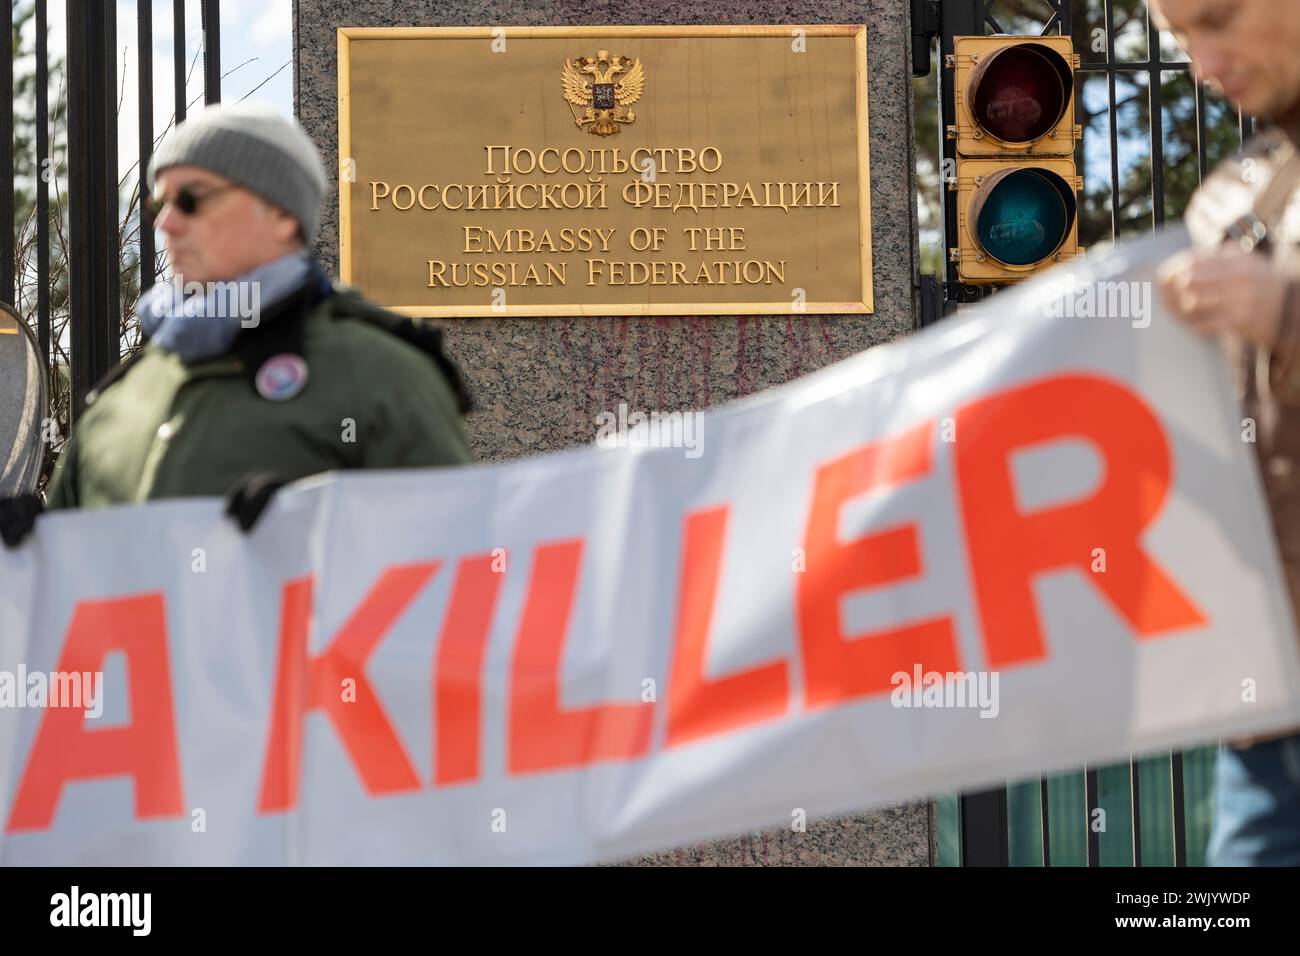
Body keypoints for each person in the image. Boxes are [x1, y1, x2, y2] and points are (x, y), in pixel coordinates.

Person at [0, 100, 472, 546]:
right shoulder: (124, 394)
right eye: (157, 204)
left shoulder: (382, 375)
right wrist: (30, 553)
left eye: (191, 199)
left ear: (282, 215)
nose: (166, 223)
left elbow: (464, 580)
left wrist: (324, 546)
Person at [1152, 0, 1300, 865]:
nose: (1206, 63)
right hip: (1269, 710)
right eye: (1180, 41)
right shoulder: (1227, 198)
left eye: (1219, 19)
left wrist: (1286, 312)